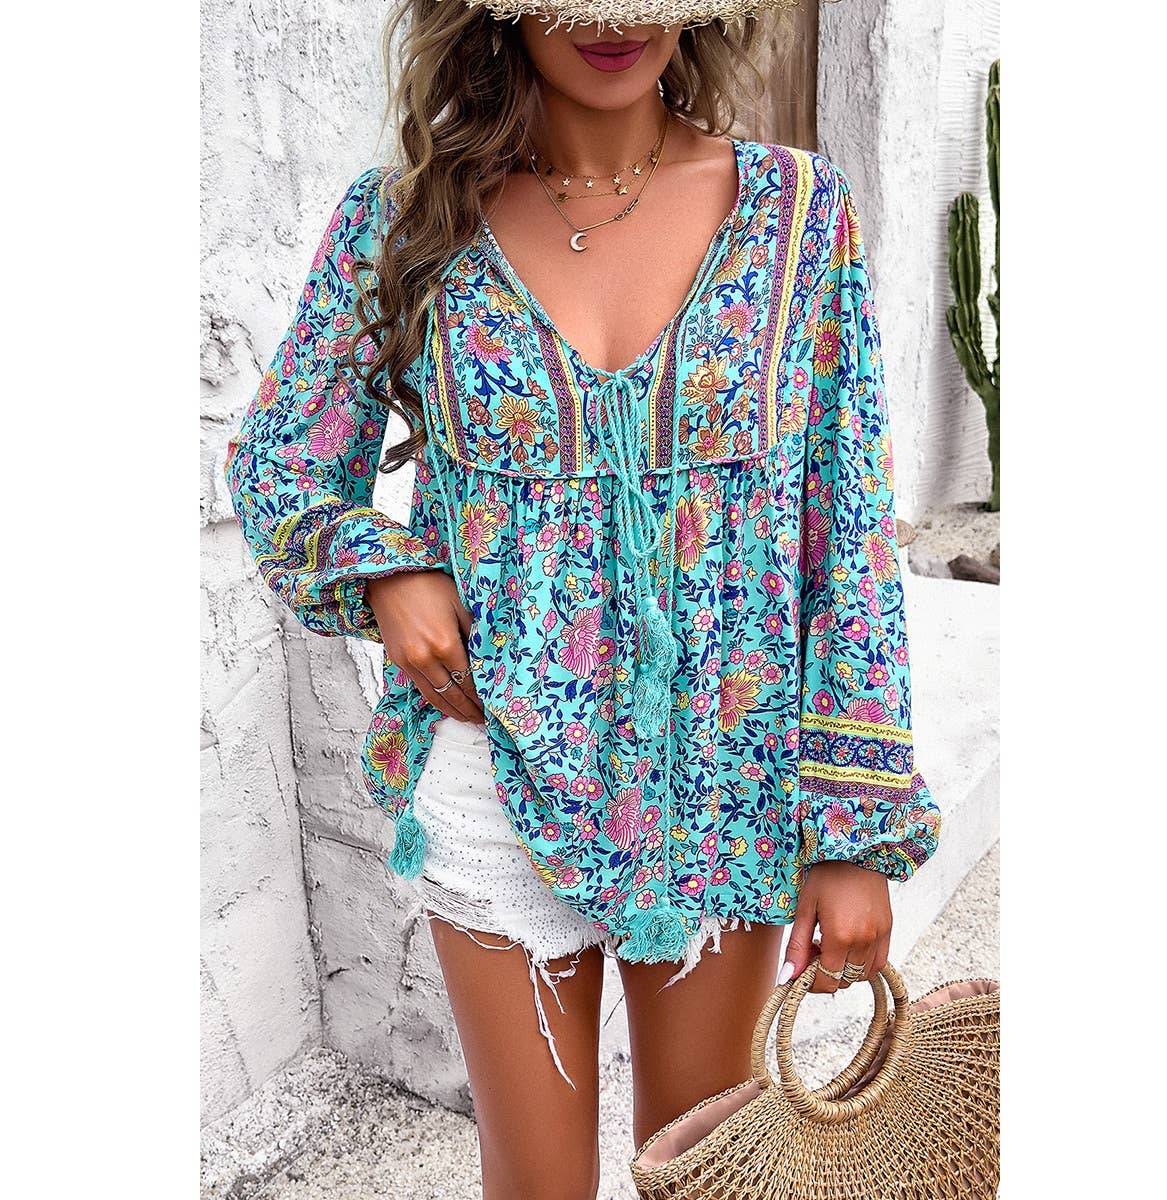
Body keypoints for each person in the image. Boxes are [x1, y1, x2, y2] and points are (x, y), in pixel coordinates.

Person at [224, 0, 942, 1194]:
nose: (616, 25)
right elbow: (277, 463)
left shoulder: (797, 213)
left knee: (699, 1174)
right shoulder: (405, 220)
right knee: (536, 1184)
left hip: (724, 780)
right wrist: (382, 565)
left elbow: (849, 531)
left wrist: (853, 834)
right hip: (491, 763)